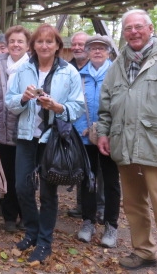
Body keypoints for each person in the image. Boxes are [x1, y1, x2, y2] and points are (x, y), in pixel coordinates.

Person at [96, 9, 157, 274]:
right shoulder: (118, 64)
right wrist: (104, 133)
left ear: (150, 29)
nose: (134, 32)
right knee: (133, 204)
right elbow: (106, 104)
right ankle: (143, 252)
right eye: (128, 28)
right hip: (124, 146)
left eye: (139, 27)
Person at [5, 24, 84, 263]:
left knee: (49, 193)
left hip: (52, 139)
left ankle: (44, 241)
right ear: (34, 45)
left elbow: (78, 106)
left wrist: (58, 108)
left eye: (50, 42)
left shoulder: (69, 72)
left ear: (58, 45)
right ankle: (32, 231)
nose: (44, 46)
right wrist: (23, 97)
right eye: (40, 42)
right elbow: (10, 103)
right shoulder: (23, 70)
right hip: (27, 137)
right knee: (22, 187)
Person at [72, 35, 121, 248]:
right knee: (87, 180)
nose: (98, 52)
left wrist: (109, 131)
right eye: (93, 48)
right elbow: (75, 103)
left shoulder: (116, 74)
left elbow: (120, 105)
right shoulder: (79, 75)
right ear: (88, 52)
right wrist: (79, 128)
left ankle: (111, 225)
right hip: (84, 137)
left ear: (109, 52)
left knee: (110, 181)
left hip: (109, 137)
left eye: (102, 48)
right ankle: (88, 221)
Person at [0, 25, 30, 232]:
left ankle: (26, 214)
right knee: (6, 175)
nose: (15, 45)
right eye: (11, 41)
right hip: (1, 129)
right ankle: (8, 216)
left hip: (24, 131)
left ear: (27, 45)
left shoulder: (32, 67)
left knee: (24, 177)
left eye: (19, 41)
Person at [67, 31, 90, 219]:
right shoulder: (68, 68)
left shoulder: (96, 68)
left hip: (92, 128)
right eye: (74, 44)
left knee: (96, 170)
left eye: (81, 44)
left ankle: (99, 207)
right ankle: (82, 205)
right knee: (80, 168)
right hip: (73, 127)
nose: (76, 47)